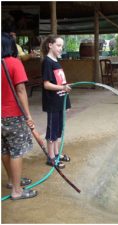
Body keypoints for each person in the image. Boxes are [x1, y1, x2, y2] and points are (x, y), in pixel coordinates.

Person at [1, 32, 38, 200]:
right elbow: (21, 90)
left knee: (4, 150)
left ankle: (11, 180)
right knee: (16, 151)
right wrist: (28, 115)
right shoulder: (14, 63)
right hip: (13, 116)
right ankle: (17, 190)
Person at [41, 34, 72, 169]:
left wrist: (67, 102)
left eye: (62, 46)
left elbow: (62, 82)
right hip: (52, 102)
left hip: (60, 101)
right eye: (58, 45)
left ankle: (57, 153)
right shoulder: (47, 62)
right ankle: (51, 157)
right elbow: (46, 84)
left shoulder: (56, 61)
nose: (60, 48)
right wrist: (62, 88)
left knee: (59, 130)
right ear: (50, 45)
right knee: (52, 130)